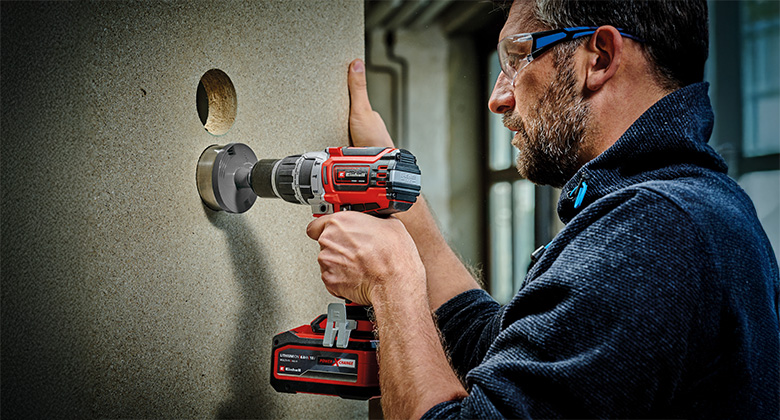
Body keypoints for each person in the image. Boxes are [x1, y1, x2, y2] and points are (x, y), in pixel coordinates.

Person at [306, 0, 780, 418]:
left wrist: (392, 281)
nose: (498, 97)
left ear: (600, 58)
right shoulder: (699, 206)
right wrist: (393, 187)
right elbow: (494, 350)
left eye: (516, 57)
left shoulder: (654, 233)